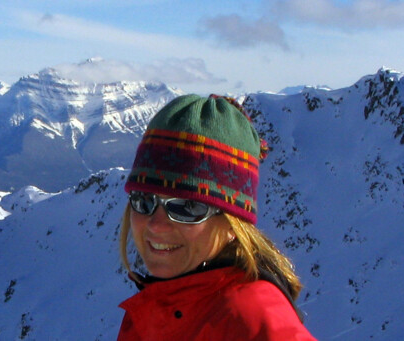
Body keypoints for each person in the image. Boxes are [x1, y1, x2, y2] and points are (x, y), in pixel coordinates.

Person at [116, 94, 316, 340]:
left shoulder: (252, 319)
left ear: (233, 223)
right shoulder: (156, 310)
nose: (157, 225)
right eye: (143, 201)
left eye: (186, 207)